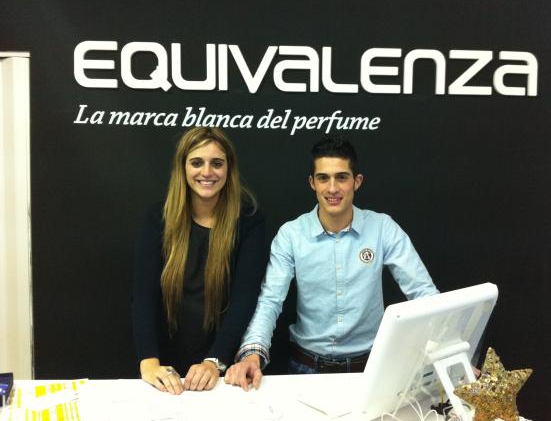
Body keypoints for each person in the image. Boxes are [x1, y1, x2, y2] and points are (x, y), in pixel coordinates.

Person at [224, 135, 438, 390]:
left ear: (357, 182)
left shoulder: (383, 228)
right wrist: (252, 353)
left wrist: (446, 349)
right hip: (306, 369)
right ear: (312, 183)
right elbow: (270, 300)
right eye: (323, 178)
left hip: (372, 367)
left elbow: (423, 293)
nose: (332, 188)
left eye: (342, 177)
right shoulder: (291, 235)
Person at [131, 127, 267, 394]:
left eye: (217, 163)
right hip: (165, 367)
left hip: (222, 368)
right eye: (196, 163)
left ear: (229, 168)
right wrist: (149, 361)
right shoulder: (159, 218)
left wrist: (215, 361)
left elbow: (245, 298)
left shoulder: (249, 221)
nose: (207, 172)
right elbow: (143, 294)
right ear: (182, 167)